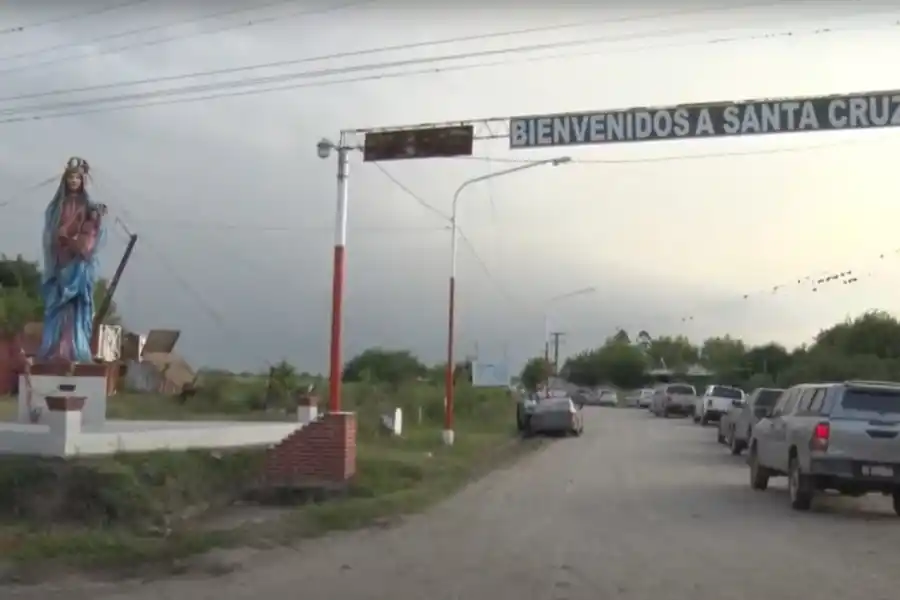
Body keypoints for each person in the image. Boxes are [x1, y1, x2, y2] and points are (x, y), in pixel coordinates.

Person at [38, 157, 107, 363]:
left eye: (77, 178)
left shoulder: (87, 205)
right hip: (62, 259)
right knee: (59, 303)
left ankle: (76, 348)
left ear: (83, 180)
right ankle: (55, 349)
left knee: (78, 304)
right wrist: (61, 236)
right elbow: (51, 229)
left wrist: (93, 223)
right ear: (65, 181)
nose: (74, 181)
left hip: (79, 263)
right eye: (71, 178)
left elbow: (92, 232)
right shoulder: (57, 206)